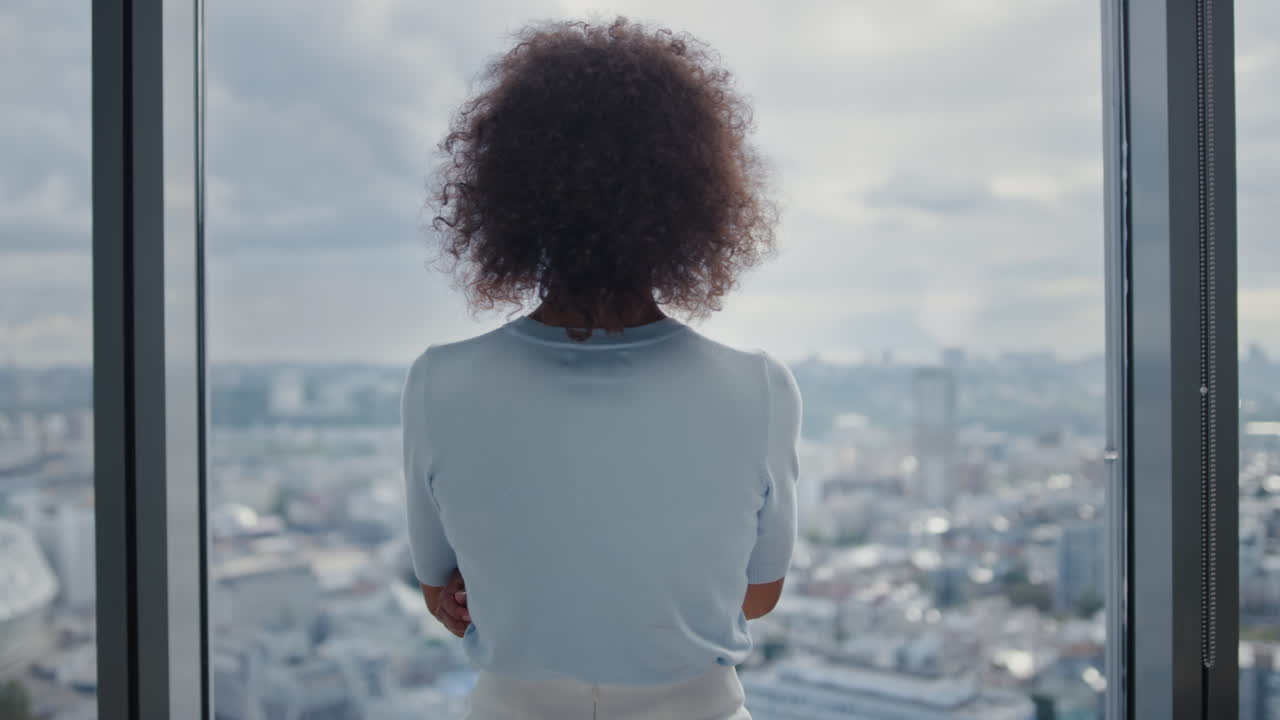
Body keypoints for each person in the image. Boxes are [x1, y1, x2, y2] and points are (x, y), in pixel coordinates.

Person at [404, 15, 801, 719]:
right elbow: (758, 593)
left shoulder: (439, 382)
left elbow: (446, 593)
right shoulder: (758, 388)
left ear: (507, 194)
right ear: (694, 199)